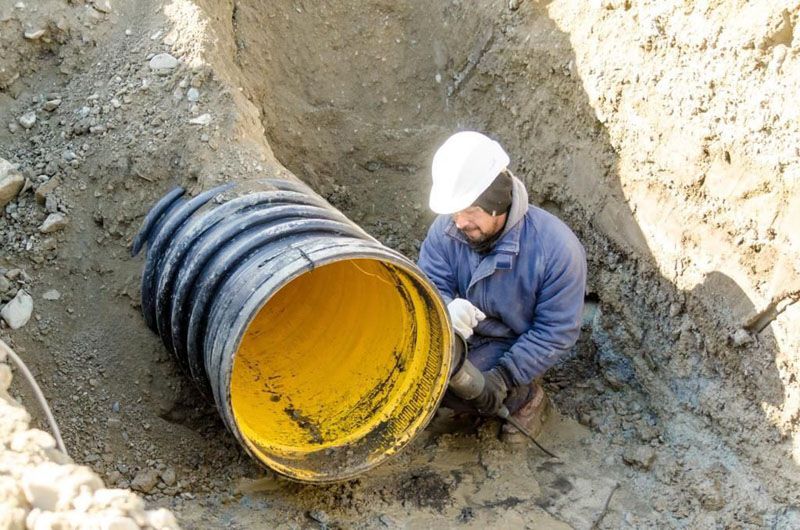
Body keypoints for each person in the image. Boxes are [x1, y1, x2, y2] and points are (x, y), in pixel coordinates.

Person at [418, 131, 587, 442]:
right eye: (453, 212)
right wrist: (444, 311)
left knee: (467, 388)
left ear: (496, 201)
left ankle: (525, 396)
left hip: (512, 344)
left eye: (469, 210)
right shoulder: (445, 231)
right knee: (415, 373)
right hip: (463, 336)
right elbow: (431, 283)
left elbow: (556, 330)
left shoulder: (555, 249)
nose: (459, 222)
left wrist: (504, 376)